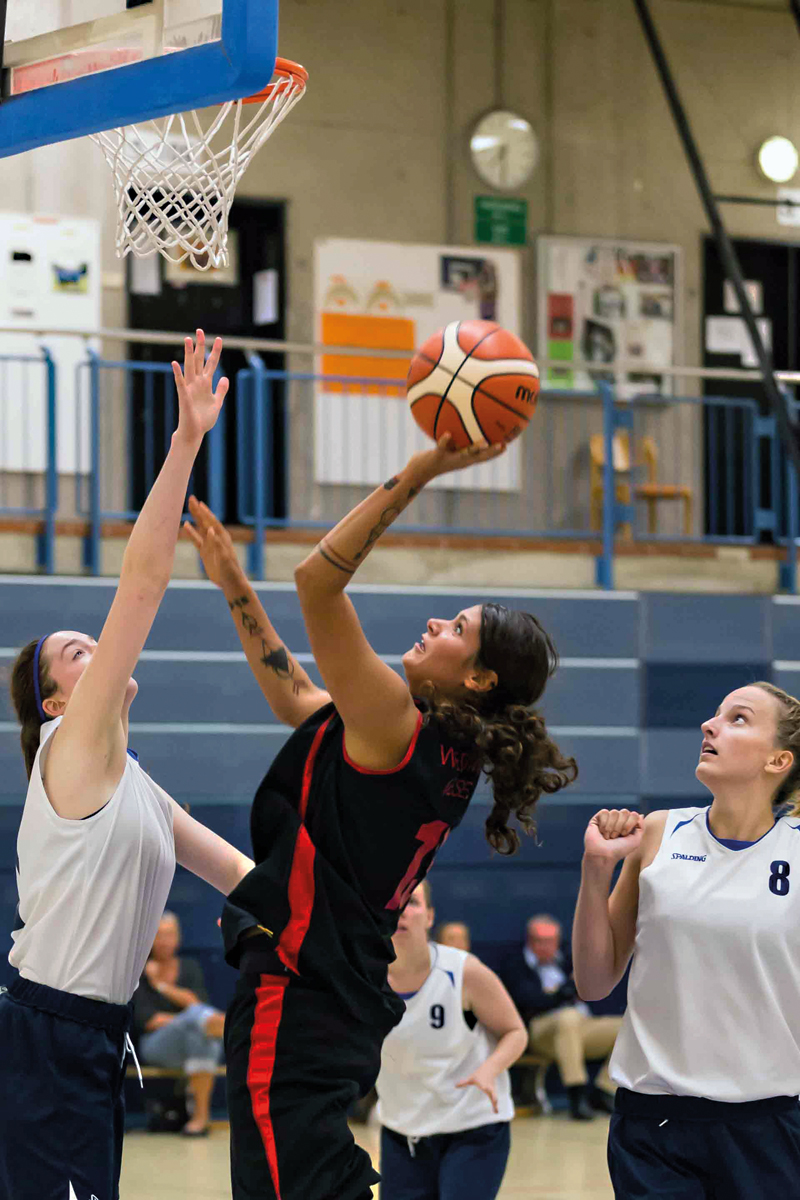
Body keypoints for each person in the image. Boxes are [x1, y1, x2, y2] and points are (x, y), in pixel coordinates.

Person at [184, 433, 578, 1200]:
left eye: (455, 630)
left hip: (298, 993)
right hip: (335, 1001)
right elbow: (294, 698)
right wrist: (233, 581)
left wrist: (426, 465)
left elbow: (317, 581)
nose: (434, 626)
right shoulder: (428, 744)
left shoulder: (398, 725)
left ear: (478, 677)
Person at [1, 332, 255, 1200]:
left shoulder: (137, 787)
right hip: (44, 1037)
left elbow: (237, 873)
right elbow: (141, 588)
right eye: (79, 654)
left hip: (93, 1042)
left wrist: (346, 922)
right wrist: (186, 442)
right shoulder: (71, 749)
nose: (98, 650)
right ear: (56, 705)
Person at [572, 682, 800, 1199]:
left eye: (738, 718)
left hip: (770, 1126)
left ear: (778, 759)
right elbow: (592, 981)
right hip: (654, 1124)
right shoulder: (658, 833)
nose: (710, 725)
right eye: (715, 714)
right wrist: (595, 869)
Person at [376, 880, 526, 1200]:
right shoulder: (362, 978)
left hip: (472, 1130)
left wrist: (489, 1070)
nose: (401, 912)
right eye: (392, 904)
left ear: (430, 917)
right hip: (402, 1132)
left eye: (412, 902)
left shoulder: (464, 971)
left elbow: (515, 1032)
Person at [501, 913, 621, 1120]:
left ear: (557, 941)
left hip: (580, 1027)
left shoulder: (567, 959)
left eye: (549, 941)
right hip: (540, 1032)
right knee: (567, 1017)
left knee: (630, 1026)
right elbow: (531, 1001)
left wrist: (562, 992)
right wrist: (565, 991)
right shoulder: (516, 964)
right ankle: (577, 1094)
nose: (544, 947)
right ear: (529, 941)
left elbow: (592, 988)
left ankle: (604, 1091)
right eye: (538, 941)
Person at [133, 911, 226, 1136]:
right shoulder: (138, 971)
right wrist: (188, 1019)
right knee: (199, 1024)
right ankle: (226, 1027)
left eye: (170, 934)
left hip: (191, 1042)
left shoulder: (189, 966)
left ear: (179, 938)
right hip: (155, 1046)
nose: (165, 941)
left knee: (202, 1039)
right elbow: (150, 1021)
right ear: (150, 939)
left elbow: (195, 1003)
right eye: (159, 935)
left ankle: (199, 1121)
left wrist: (162, 986)